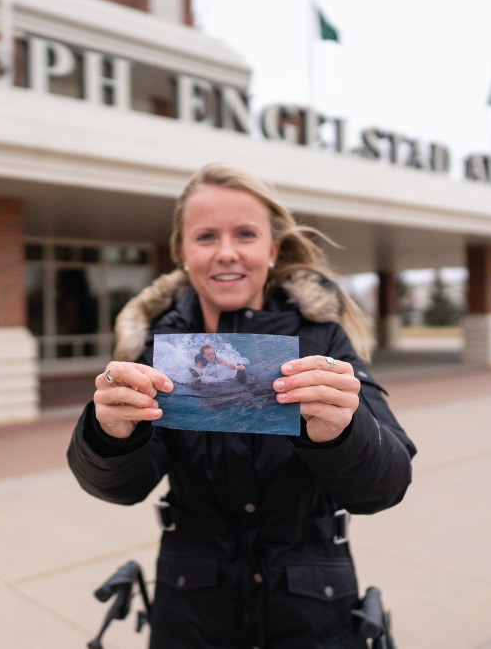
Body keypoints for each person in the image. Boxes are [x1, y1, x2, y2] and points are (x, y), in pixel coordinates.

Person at [67, 163, 416, 648]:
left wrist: (344, 432)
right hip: (191, 611)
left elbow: (386, 485)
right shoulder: (160, 348)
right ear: (183, 253)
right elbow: (119, 488)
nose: (226, 253)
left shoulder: (321, 339)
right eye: (206, 236)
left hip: (312, 611)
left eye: (246, 234)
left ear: (272, 250)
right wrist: (107, 436)